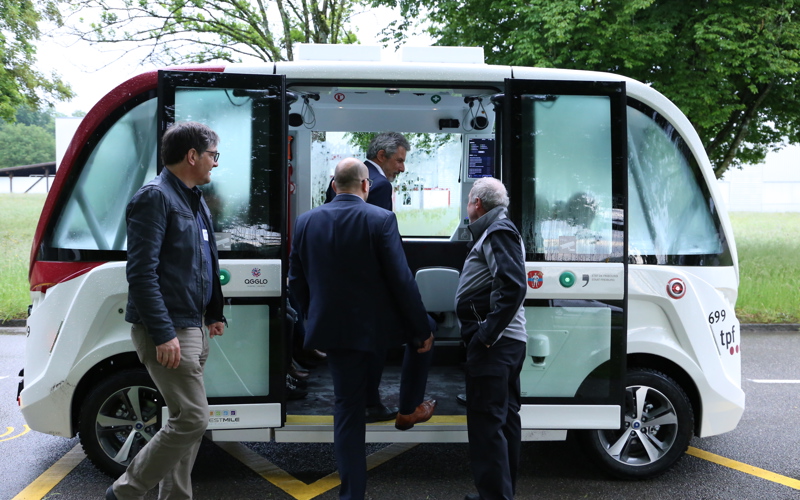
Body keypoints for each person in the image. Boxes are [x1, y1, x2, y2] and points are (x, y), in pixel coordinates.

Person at [290, 158, 436, 500]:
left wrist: (314, 320)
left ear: (333, 184)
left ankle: (352, 495)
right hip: (376, 330)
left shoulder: (305, 221)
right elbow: (401, 280)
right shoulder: (381, 219)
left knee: (347, 412)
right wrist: (419, 331)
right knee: (427, 328)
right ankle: (408, 406)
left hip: (334, 332)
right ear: (366, 185)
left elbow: (296, 282)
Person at [107, 121, 226, 500]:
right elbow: (141, 274)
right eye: (212, 155)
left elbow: (205, 259)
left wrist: (214, 311)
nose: (215, 164)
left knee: (182, 421)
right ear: (192, 156)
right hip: (170, 329)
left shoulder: (194, 198)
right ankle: (125, 492)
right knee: (193, 418)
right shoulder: (155, 197)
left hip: (193, 326)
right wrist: (163, 333)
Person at [324, 132, 411, 422]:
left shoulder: (341, 178)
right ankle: (372, 402)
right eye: (399, 160)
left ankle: (353, 401)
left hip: (338, 281)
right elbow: (382, 239)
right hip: (368, 284)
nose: (401, 168)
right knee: (375, 346)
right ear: (382, 156)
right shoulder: (380, 185)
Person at [455, 178, 527, 500]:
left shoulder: (497, 231)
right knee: (503, 423)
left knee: (487, 427)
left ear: (478, 204)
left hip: (495, 347)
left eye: (469, 200)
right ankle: (500, 495)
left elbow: (513, 286)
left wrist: (485, 335)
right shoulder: (497, 229)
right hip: (506, 345)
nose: (467, 206)